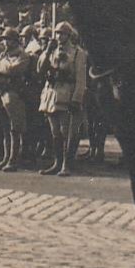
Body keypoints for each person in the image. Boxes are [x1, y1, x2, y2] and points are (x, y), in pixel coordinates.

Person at [37, 22, 88, 177]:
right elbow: (40, 69)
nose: (59, 37)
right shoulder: (51, 50)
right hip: (52, 93)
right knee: (55, 132)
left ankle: (67, 164)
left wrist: (77, 98)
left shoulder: (78, 53)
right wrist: (47, 51)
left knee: (67, 132)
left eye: (63, 34)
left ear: (69, 35)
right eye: (58, 33)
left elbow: (81, 78)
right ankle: (57, 162)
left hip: (67, 92)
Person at [0, 26, 32, 172]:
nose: (6, 43)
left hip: (14, 93)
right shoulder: (3, 55)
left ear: (15, 41)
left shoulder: (23, 55)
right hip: (1, 92)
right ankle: (6, 157)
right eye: (4, 40)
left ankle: (13, 159)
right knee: (5, 128)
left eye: (8, 39)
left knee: (15, 128)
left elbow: (12, 69)